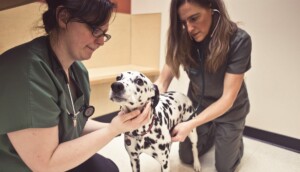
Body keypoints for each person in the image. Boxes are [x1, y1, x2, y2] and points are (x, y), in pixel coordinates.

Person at [0, 0, 151, 171]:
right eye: (95, 30)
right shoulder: (25, 73)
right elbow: (46, 164)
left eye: (104, 34)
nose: (101, 41)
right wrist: (112, 130)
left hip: (57, 155)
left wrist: (122, 126)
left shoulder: (77, 70)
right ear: (63, 17)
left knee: (109, 169)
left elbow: (73, 122)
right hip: (28, 166)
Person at [155, 0, 252, 171]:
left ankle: (233, 137)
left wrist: (190, 125)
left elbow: (228, 99)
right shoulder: (184, 38)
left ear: (212, 9)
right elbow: (162, 81)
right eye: (183, 22)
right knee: (186, 157)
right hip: (199, 105)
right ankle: (212, 130)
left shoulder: (239, 40)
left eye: (194, 18)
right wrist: (148, 102)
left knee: (224, 168)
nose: (189, 28)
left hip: (230, 109)